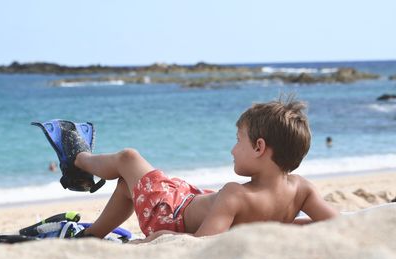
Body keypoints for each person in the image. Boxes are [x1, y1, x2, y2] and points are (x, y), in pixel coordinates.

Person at [62, 97, 339, 242]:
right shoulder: (302, 189)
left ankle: (77, 160)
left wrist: (165, 238)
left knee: (128, 158)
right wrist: (285, 225)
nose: (232, 149)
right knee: (128, 187)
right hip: (188, 199)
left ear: (259, 147)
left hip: (170, 215)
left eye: (238, 141)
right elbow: (339, 223)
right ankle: (91, 236)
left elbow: (202, 244)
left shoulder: (235, 195)